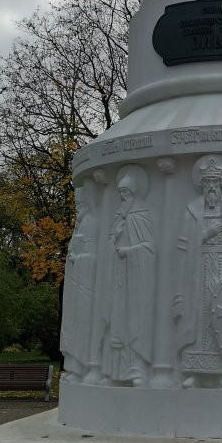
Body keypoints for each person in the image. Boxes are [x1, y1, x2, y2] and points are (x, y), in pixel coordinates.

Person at [173, 154, 222, 387]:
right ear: (202, 185)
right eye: (207, 183)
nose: (211, 187)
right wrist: (206, 234)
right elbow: (183, 244)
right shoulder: (192, 210)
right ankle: (194, 372)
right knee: (197, 320)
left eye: (215, 183)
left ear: (221, 185)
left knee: (221, 319)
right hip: (197, 271)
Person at [102, 165, 155, 387]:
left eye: (126, 194)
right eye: (120, 194)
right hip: (118, 277)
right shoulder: (118, 216)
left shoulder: (142, 215)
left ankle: (136, 370)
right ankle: (113, 371)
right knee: (116, 322)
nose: (123, 198)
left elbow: (150, 248)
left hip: (136, 277)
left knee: (134, 321)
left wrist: (130, 252)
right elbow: (108, 243)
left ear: (134, 194)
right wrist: (115, 239)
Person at [61, 184, 98, 380]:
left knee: (83, 325)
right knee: (73, 325)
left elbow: (93, 256)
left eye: (81, 204)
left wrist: (79, 259)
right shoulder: (80, 224)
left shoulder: (91, 221)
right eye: (77, 205)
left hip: (86, 283)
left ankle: (82, 365)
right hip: (76, 282)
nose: (78, 208)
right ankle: (74, 367)